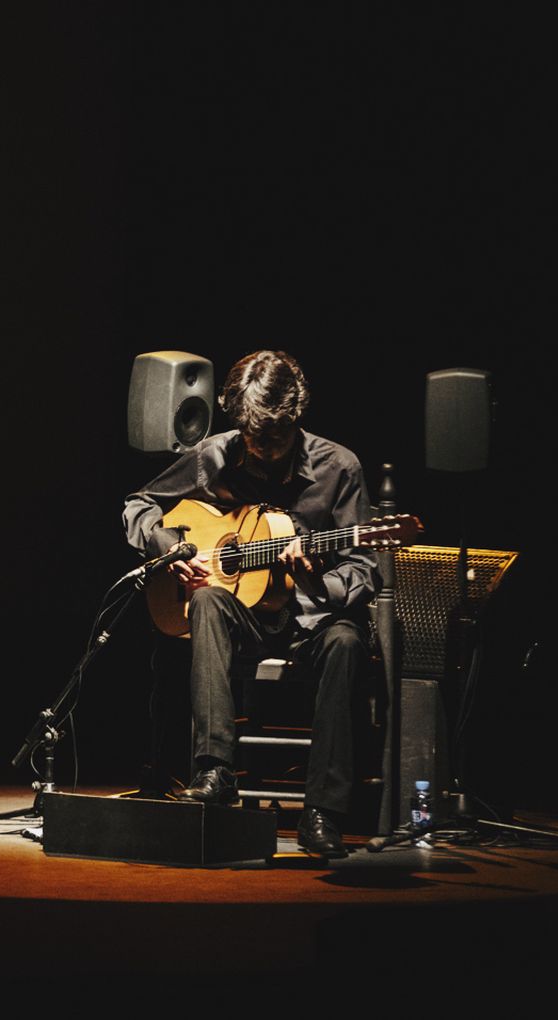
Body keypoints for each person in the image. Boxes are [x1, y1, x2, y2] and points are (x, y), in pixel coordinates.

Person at [122, 350, 377, 857]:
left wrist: (319, 580)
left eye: (276, 435)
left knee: (348, 641)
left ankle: (323, 811)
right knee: (211, 600)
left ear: (297, 416)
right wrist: (168, 547)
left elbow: (364, 567)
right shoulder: (215, 454)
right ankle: (215, 771)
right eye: (252, 435)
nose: (262, 447)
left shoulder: (339, 467)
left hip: (312, 617)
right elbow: (139, 504)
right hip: (246, 618)